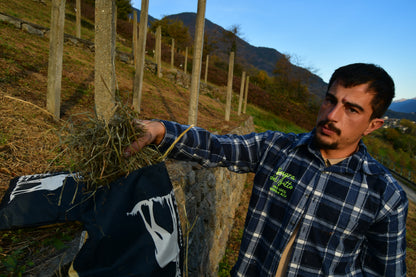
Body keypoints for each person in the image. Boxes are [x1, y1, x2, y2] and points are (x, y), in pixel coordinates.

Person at [126, 63, 408, 276]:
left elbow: (383, 272)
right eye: (330, 100)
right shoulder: (276, 148)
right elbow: (217, 146)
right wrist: (161, 130)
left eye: (352, 109)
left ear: (373, 125)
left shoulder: (385, 196)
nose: (332, 115)